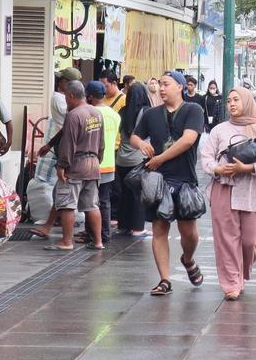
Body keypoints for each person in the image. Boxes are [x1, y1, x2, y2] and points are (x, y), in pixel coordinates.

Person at [130, 71, 208, 295]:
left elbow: (188, 140)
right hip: (158, 180)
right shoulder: (150, 114)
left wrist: (159, 159)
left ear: (180, 87)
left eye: (167, 84)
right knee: (159, 228)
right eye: (160, 85)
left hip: (184, 178)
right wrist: (140, 145)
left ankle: (188, 258)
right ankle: (164, 279)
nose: (162, 88)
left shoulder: (194, 110)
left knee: (189, 232)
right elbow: (134, 136)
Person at [201, 87, 256, 300]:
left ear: (247, 102)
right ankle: (232, 283)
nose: (232, 104)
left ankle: (242, 272)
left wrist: (246, 169)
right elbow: (207, 157)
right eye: (229, 100)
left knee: (249, 240)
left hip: (251, 190)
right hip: (224, 188)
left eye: (237, 100)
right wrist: (217, 168)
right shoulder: (219, 130)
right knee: (226, 239)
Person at [35, 80, 104, 251]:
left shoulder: (74, 115)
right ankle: (98, 242)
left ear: (72, 95)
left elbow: (68, 144)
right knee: (92, 205)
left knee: (66, 204)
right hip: (93, 164)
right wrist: (97, 159)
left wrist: (61, 166)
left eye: (66, 96)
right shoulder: (96, 113)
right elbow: (101, 143)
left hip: (76, 165)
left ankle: (66, 241)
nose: (65, 99)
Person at [112, 79, 151, 238]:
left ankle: (123, 226)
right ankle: (137, 228)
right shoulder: (146, 112)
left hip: (121, 159)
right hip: (138, 159)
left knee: (124, 194)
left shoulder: (122, 110)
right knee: (138, 195)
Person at [87, 81, 121, 245]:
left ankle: (92, 234)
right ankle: (105, 234)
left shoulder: (90, 113)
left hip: (92, 163)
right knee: (104, 201)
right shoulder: (115, 115)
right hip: (109, 163)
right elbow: (116, 141)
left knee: (90, 201)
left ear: (90, 96)